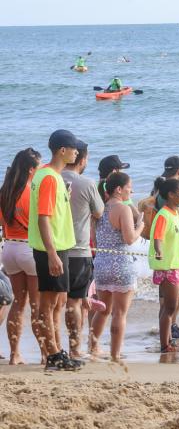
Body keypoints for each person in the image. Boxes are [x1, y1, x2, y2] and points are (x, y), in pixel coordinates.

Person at [28, 130, 82, 371]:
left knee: (57, 301)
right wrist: (51, 253)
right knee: (48, 304)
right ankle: (53, 356)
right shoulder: (49, 177)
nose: (76, 152)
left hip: (56, 246)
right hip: (52, 247)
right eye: (73, 148)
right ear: (62, 150)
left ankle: (57, 351)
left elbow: (48, 209)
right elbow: (43, 218)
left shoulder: (45, 174)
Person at [88, 172, 144, 362]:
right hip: (121, 264)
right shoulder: (123, 208)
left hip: (102, 263)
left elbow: (95, 240)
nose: (131, 191)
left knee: (103, 310)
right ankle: (115, 354)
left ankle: (93, 348)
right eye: (129, 187)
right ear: (119, 189)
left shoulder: (99, 209)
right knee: (119, 313)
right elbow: (129, 239)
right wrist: (140, 226)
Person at [0, 148, 45, 365]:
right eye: (38, 167)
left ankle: (14, 354)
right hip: (29, 249)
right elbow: (42, 225)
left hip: (9, 249)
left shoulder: (5, 192)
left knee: (18, 302)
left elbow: (3, 224)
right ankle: (45, 353)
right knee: (37, 305)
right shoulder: (31, 192)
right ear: (30, 169)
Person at [62, 140, 104, 358]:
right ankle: (74, 349)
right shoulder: (87, 183)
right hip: (78, 249)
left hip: (52, 249)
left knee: (52, 302)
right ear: (83, 159)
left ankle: (49, 350)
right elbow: (99, 212)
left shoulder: (53, 177)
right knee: (75, 301)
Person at [147, 156, 179, 340]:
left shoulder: (166, 203)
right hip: (168, 263)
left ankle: (167, 336)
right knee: (169, 305)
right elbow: (158, 235)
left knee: (168, 304)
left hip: (176, 260)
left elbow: (177, 234)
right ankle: (166, 338)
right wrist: (158, 250)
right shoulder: (166, 212)